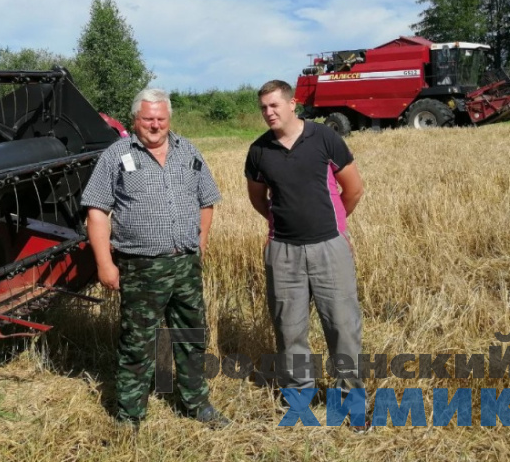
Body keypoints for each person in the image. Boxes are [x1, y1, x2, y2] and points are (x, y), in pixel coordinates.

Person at [81, 88, 229, 429]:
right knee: (138, 342)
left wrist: (200, 242)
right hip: (141, 266)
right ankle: (130, 414)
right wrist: (105, 263)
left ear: (169, 119)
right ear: (136, 120)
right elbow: (97, 211)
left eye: (161, 118)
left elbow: (206, 200)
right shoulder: (116, 155)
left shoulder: (188, 151)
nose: (155, 125)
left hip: (185, 264)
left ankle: (196, 405)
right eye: (148, 119)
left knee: (191, 336)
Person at [245, 80, 366, 406]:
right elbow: (258, 199)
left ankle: (349, 400)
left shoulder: (325, 138)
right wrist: (280, 224)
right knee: (289, 329)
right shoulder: (259, 151)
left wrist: (337, 226)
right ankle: (300, 397)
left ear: (291, 104)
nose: (269, 113)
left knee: (343, 327)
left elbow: (353, 189)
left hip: (330, 247)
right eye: (264, 108)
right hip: (283, 252)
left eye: (274, 105)